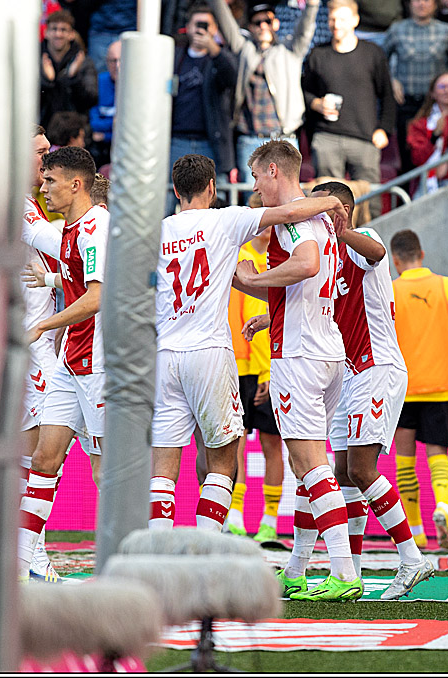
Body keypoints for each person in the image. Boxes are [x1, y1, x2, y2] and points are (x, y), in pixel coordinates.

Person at [149, 154, 348, 536]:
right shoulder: (226, 220)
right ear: (212, 188)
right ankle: (207, 547)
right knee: (223, 460)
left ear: (175, 190)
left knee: (163, 466)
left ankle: (157, 550)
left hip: (166, 353)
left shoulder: (158, 232)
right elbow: (289, 213)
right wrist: (330, 201)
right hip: (209, 352)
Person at [234, 139, 362, 601]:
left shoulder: (292, 218)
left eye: (255, 176)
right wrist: (262, 301)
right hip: (327, 349)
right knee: (306, 464)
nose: (255, 186)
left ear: (273, 170)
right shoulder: (323, 219)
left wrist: (252, 279)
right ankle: (297, 567)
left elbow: (305, 266)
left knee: (310, 463)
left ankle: (344, 572)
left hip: (299, 355)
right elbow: (310, 279)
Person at [311, 181, 434, 600]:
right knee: (345, 471)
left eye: (321, 210)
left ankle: (412, 559)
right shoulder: (325, 255)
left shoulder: (362, 239)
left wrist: (343, 230)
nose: (312, 218)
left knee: (363, 470)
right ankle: (352, 571)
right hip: (349, 374)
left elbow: (378, 253)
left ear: (342, 210)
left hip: (376, 367)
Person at [16, 146, 108, 582]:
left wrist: (43, 325)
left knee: (106, 471)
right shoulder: (70, 230)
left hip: (102, 365)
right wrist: (51, 279)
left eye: (50, 180)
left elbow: (97, 296)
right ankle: (20, 566)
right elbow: (73, 276)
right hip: (70, 363)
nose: (44, 186)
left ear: (75, 184)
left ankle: (126, 565)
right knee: (44, 459)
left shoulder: (96, 227)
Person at [389, 229, 448, 550]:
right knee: (438, 455)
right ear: (422, 254)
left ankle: (415, 531)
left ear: (395, 261)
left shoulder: (390, 290)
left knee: (404, 460)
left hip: (402, 388)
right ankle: (443, 507)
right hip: (440, 385)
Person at [220, 194, 284, 543]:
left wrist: (267, 371)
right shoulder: (234, 255)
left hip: (271, 366)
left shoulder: (282, 259)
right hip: (234, 365)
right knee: (237, 443)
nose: (264, 225)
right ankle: (235, 515)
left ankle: (270, 521)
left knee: (273, 444)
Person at [301, 0, 394, 218]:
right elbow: (303, 92)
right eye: (332, 19)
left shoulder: (373, 53)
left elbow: (388, 95)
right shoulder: (318, 54)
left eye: (342, 19)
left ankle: (369, 239)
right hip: (327, 138)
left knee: (370, 204)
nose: (336, 24)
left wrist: (384, 129)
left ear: (355, 20)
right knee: (326, 205)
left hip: (365, 138)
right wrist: (316, 103)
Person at [213, 0, 319, 184]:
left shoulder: (290, 49)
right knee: (253, 194)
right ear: (250, 27)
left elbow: (305, 29)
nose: (263, 26)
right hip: (250, 139)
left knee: (286, 195)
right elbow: (226, 22)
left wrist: (312, 4)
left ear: (275, 24)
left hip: (283, 139)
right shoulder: (244, 49)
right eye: (257, 23)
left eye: (267, 21)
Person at [167, 4, 238, 215]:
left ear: (215, 28)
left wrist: (214, 49)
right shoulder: (176, 56)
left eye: (206, 25)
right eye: (197, 24)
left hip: (211, 142)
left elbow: (232, 78)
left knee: (215, 203)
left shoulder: (220, 56)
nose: (200, 29)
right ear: (187, 27)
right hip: (177, 139)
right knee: (169, 200)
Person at [381, 0, 448, 174]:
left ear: (434, 4)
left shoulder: (446, 30)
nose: (421, 4)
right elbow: (380, 61)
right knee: (407, 155)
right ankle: (406, 191)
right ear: (410, 3)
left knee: (437, 150)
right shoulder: (397, 29)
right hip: (407, 103)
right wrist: (391, 80)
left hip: (436, 104)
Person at [39, 10, 98, 132]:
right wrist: (47, 81)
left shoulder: (84, 62)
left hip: (74, 133)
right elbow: (28, 101)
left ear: (71, 34)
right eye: (54, 29)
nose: (58, 34)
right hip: (42, 131)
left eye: (63, 30)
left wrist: (73, 78)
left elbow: (90, 101)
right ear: (46, 33)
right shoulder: (34, 60)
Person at [88, 40, 120, 165]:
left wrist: (105, 136)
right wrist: (115, 123)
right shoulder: (99, 81)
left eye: (121, 60)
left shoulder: (136, 86)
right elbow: (94, 124)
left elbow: (133, 128)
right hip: (101, 150)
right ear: (107, 62)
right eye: (113, 61)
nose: (117, 65)